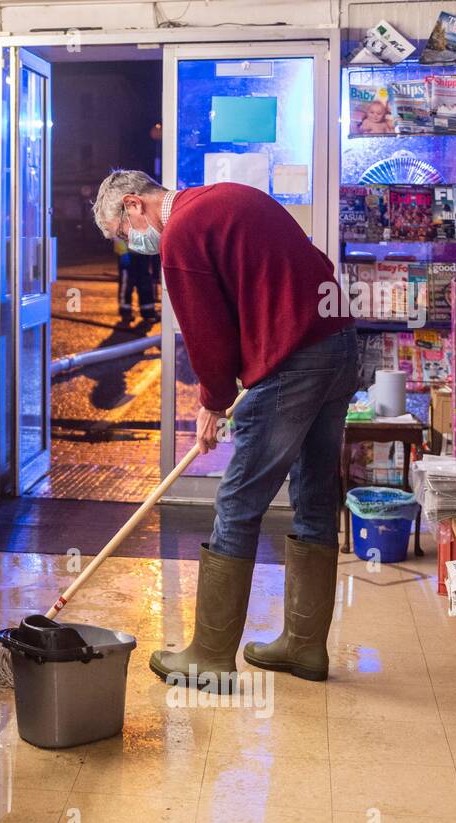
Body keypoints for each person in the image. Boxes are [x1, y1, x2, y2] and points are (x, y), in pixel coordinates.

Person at [92, 170, 357, 690]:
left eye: (124, 233)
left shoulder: (182, 233)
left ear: (134, 205)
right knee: (314, 494)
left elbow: (206, 331)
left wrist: (212, 402)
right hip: (337, 345)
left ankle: (210, 656)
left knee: (238, 502)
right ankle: (304, 647)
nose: (134, 244)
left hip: (295, 363)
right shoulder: (225, 197)